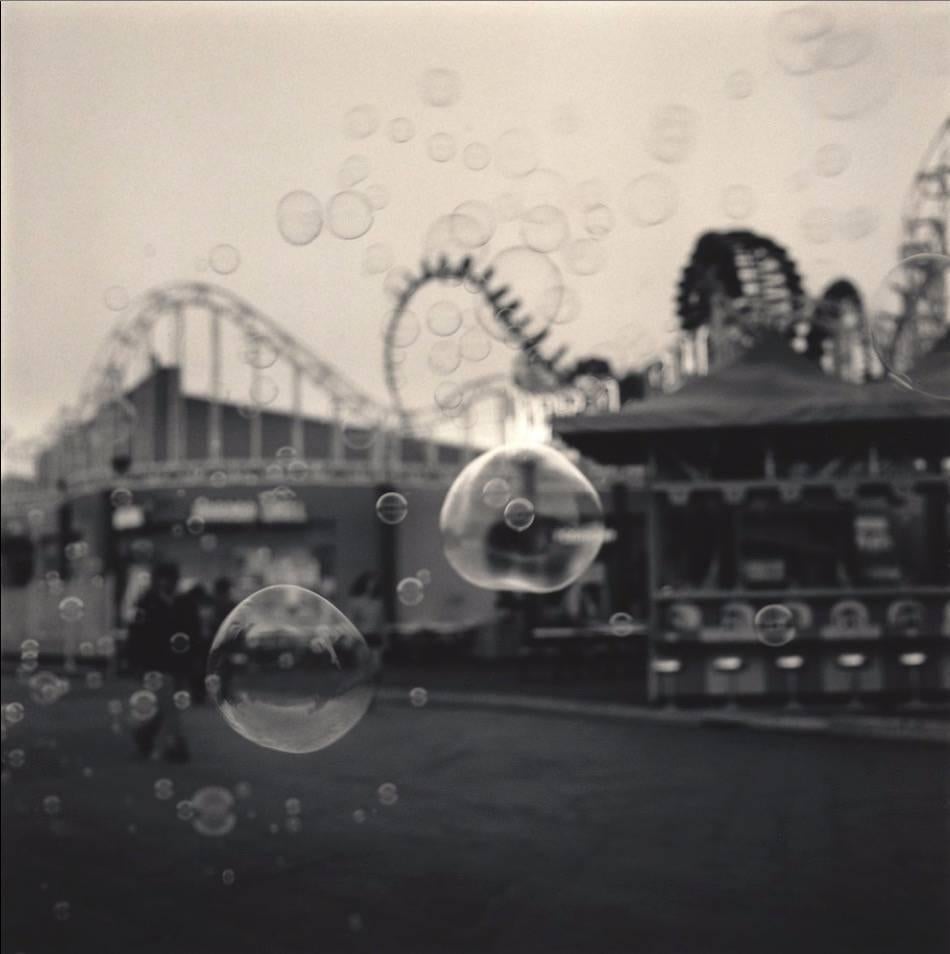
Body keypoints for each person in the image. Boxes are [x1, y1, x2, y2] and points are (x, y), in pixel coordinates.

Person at [126, 562, 196, 762]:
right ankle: (175, 745)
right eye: (164, 579)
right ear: (157, 581)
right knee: (169, 705)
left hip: (177, 663)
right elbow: (136, 635)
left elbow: (193, 634)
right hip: (154, 663)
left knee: (164, 706)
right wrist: (135, 662)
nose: (168, 583)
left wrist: (193, 662)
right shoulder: (146, 603)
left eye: (171, 579)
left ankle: (144, 733)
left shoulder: (184, 602)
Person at [347, 571, 386, 675]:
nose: (373, 584)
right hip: (362, 634)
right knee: (363, 664)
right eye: (371, 581)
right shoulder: (355, 601)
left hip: (375, 635)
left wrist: (384, 637)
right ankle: (363, 687)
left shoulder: (378, 602)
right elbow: (351, 620)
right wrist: (351, 637)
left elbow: (380, 621)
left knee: (377, 666)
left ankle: (373, 686)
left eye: (375, 582)